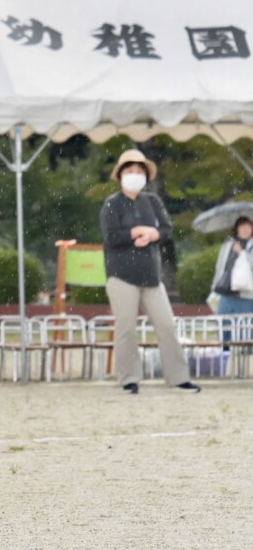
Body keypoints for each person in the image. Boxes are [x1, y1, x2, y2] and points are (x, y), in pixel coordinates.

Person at [100, 148, 200, 395]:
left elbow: (166, 229)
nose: (135, 174)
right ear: (120, 175)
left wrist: (154, 234)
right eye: (130, 170)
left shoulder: (153, 201)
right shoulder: (112, 204)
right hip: (122, 275)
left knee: (167, 325)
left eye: (139, 171)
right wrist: (134, 232)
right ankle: (129, 378)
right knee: (126, 329)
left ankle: (178, 377)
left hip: (152, 277)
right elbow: (111, 236)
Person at [209, 216, 253, 320]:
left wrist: (242, 253)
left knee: (244, 328)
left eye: (248, 227)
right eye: (242, 226)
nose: (245, 230)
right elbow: (220, 268)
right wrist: (214, 288)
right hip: (225, 293)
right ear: (236, 229)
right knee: (223, 325)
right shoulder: (227, 245)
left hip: (246, 296)